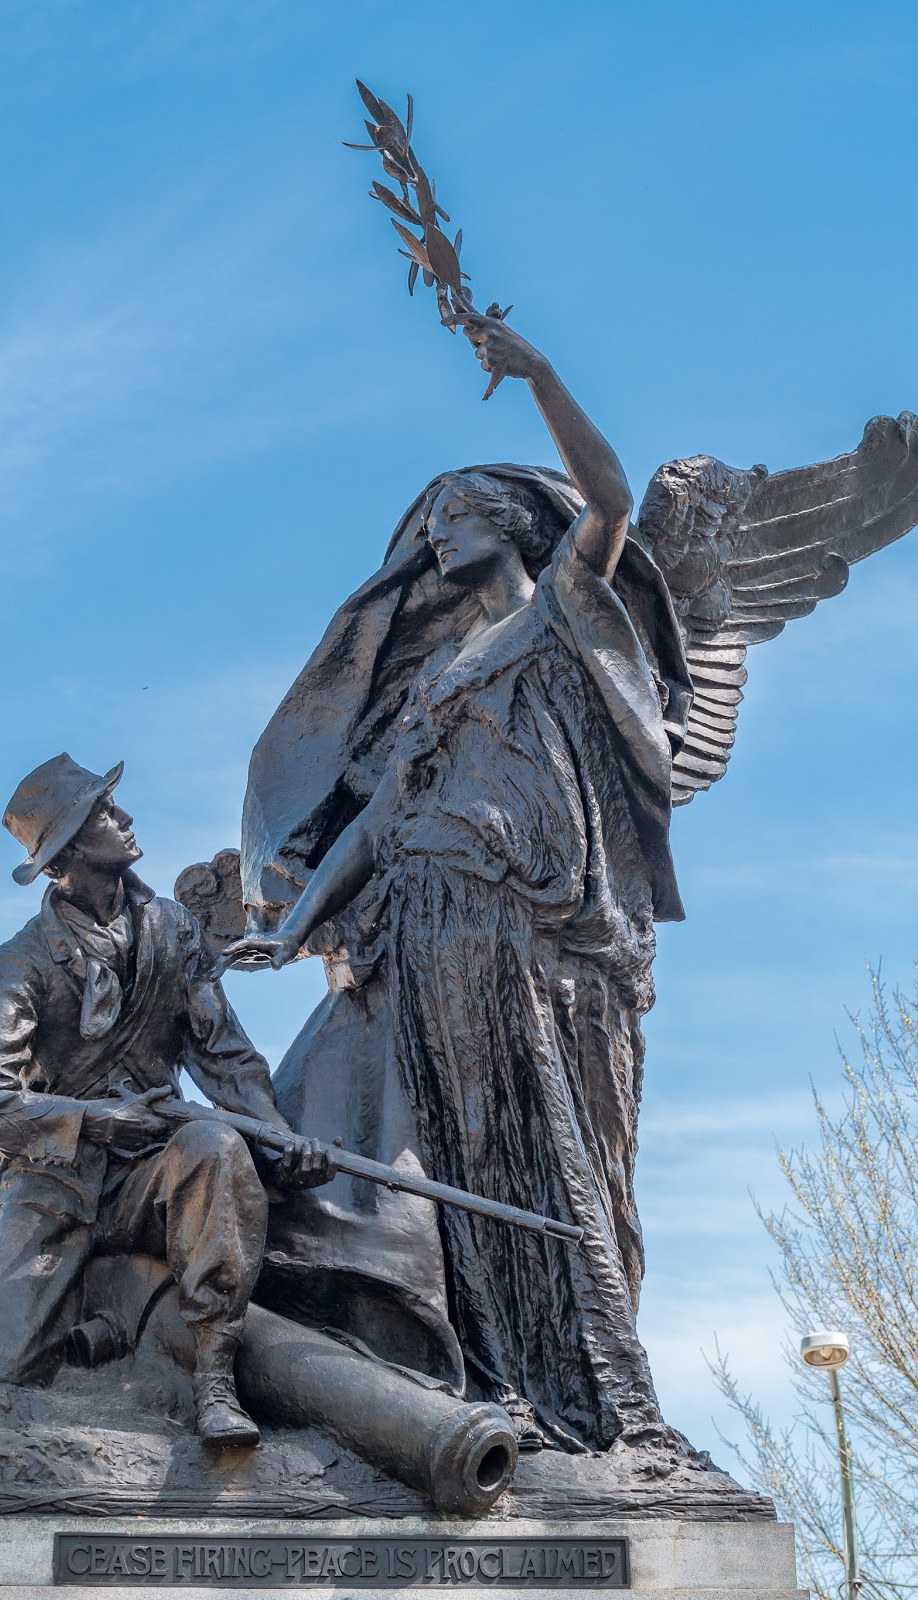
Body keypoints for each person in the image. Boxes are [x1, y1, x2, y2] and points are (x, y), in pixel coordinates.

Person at [226, 318, 691, 1454]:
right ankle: (493, 1383)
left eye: (459, 516)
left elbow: (614, 500)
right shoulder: (433, 682)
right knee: (466, 1161)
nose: (437, 535)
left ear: (513, 527)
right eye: (431, 523)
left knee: (553, 1150)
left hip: (535, 932)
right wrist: (293, 929)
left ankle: (601, 1407)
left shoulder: (561, 609)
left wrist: (538, 376)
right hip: (433, 932)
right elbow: (381, 826)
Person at [0, 754, 332, 1445]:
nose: (125, 819)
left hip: (157, 1167)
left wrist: (275, 1133)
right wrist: (91, 1123)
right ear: (67, 852)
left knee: (215, 1146)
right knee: (6, 1366)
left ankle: (214, 1381)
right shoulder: (21, 961)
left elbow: (226, 1058)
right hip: (55, 1182)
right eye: (105, 813)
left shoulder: (174, 930)